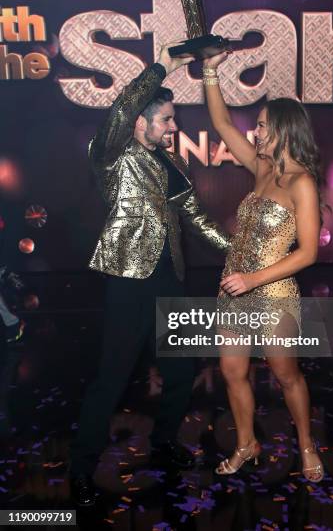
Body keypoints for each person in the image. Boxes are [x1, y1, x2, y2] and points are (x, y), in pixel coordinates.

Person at [69, 43, 230, 506]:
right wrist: (163, 65)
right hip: (128, 281)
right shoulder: (112, 155)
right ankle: (81, 468)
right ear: (141, 122)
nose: (174, 127)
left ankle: (163, 443)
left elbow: (196, 218)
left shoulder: (174, 163)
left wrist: (239, 252)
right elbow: (120, 109)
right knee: (112, 378)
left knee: (182, 371)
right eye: (167, 120)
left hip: (169, 280)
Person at [202, 51, 325, 482]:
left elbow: (308, 252)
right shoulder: (261, 169)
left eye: (261, 125)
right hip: (233, 290)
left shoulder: (301, 182)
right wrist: (210, 71)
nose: (254, 132)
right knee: (232, 371)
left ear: (283, 129)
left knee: (286, 374)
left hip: (272, 294)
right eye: (255, 125)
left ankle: (307, 445)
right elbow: (220, 125)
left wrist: (253, 279)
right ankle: (246, 444)